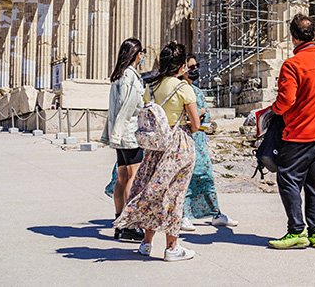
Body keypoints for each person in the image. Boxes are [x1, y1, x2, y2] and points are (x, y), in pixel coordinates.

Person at [115, 41, 200, 262]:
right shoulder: (184, 88)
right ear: (182, 66)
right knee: (174, 195)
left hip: (155, 147)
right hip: (178, 146)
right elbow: (196, 124)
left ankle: (146, 243)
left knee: (152, 191)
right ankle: (172, 247)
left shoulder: (149, 87)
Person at [268, 13, 315, 250]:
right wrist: (312, 31)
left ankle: (296, 231)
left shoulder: (292, 65)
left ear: (293, 38)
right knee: (314, 183)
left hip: (299, 134)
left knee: (288, 179)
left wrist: (273, 110)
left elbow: (285, 101)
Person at [180, 54, 238, 230]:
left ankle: (215, 213)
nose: (195, 69)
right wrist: (197, 117)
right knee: (186, 178)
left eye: (196, 66)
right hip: (184, 140)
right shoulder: (181, 89)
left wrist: (201, 120)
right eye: (191, 67)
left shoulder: (197, 91)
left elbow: (206, 120)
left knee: (206, 177)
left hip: (200, 141)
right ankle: (183, 215)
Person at [101, 38, 147, 243]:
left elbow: (113, 108)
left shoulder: (118, 76)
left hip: (119, 133)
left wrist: (111, 133)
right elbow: (128, 107)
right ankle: (130, 224)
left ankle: (119, 220)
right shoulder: (130, 76)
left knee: (121, 177)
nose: (143, 56)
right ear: (137, 54)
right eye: (142, 53)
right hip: (129, 132)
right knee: (133, 178)